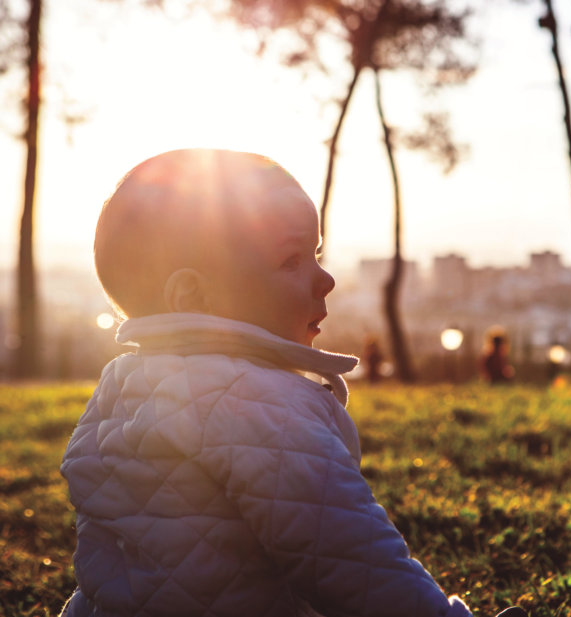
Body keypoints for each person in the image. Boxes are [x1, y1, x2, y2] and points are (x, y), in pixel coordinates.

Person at [59, 150, 524, 617]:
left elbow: (108, 552)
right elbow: (351, 557)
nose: (326, 280)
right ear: (192, 298)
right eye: (291, 261)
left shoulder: (118, 385)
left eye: (316, 256)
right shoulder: (256, 400)